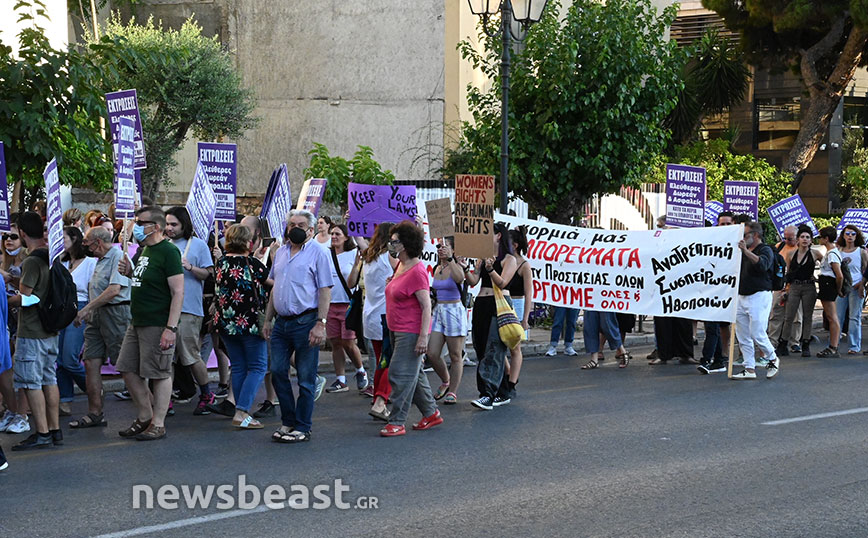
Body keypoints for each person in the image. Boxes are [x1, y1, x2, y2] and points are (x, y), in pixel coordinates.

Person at [263, 209, 333, 444]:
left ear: (311, 230)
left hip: (306, 322)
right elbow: (275, 287)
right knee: (278, 371)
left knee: (305, 377)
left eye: (301, 225)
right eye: (292, 224)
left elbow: (325, 289)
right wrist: (268, 319)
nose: (295, 228)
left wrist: (321, 324)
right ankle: (288, 421)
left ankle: (303, 426)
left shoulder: (319, 253)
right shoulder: (281, 252)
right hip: (281, 323)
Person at [115, 206, 184, 441]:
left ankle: (158, 423)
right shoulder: (146, 250)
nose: (135, 226)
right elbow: (147, 281)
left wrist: (170, 328)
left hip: (157, 322)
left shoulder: (169, 252)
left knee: (159, 373)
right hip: (138, 321)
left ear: (155, 227)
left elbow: (177, 291)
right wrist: (130, 273)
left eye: (140, 222)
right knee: (127, 367)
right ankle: (145, 415)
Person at [379, 221, 441, 436]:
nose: (391, 244)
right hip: (395, 329)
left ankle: (397, 421)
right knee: (415, 375)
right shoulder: (400, 265)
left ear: (405, 244)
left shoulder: (417, 271)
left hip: (410, 331)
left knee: (399, 375)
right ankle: (431, 413)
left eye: (394, 241)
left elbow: (426, 306)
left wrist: (423, 337)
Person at [69, 226, 131, 428]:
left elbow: (114, 290)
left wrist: (87, 308)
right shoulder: (100, 260)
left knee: (125, 364)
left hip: (115, 313)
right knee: (90, 361)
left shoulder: (118, 256)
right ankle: (95, 412)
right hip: (97, 314)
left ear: (97, 242)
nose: (85, 247)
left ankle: (149, 411)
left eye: (87, 243)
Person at [9, 212, 61, 450]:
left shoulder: (32, 260)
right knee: (49, 379)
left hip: (32, 330)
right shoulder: (51, 254)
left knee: (31, 382)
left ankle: (42, 433)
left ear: (22, 232)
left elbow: (27, 297)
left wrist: (6, 299)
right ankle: (54, 429)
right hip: (50, 329)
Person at [213, 224, 270, 429]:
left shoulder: (221, 262)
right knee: (258, 366)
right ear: (248, 242)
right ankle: (242, 410)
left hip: (226, 323)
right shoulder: (252, 264)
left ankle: (239, 408)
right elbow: (271, 281)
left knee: (238, 367)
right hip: (250, 323)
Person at [164, 207, 216, 414]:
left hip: (188, 309)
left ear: (184, 224)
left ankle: (206, 394)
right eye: (167, 224)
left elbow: (208, 274)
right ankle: (165, 399)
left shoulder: (198, 245)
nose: (169, 228)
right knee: (166, 357)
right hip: (165, 309)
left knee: (190, 355)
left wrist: (190, 267)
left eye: (174, 224)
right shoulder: (163, 245)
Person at [463, 222, 518, 410]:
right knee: (480, 347)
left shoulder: (509, 259)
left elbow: (503, 283)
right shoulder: (482, 257)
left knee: (493, 349)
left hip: (498, 304)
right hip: (482, 303)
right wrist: (465, 268)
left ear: (498, 236)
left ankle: (487, 394)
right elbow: (473, 281)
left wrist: (490, 269)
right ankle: (502, 391)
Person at [347, 222, 397, 421]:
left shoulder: (368, 256)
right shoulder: (390, 256)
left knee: (380, 360)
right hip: (386, 316)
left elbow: (358, 239)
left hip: (369, 316)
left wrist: (352, 220)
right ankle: (380, 401)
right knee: (389, 360)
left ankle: (378, 398)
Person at [56, 227, 97, 416]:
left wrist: (87, 311)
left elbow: (92, 289)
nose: (60, 241)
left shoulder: (90, 263)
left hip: (80, 308)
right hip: (61, 309)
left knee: (70, 358)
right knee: (60, 360)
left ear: (74, 239)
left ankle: (93, 390)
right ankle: (65, 400)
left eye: (63, 238)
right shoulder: (60, 261)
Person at [732, 221, 780, 380]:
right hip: (742, 295)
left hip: (759, 295)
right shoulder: (742, 250)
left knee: (757, 332)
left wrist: (745, 251)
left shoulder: (765, 249)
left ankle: (772, 357)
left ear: (756, 235)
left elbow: (763, 265)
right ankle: (749, 368)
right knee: (742, 334)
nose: (742, 238)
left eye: (745, 235)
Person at [324, 223, 368, 393]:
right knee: (335, 342)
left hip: (348, 304)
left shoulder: (353, 253)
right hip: (330, 304)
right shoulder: (326, 254)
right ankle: (340, 380)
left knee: (348, 342)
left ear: (346, 237)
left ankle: (360, 370)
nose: (334, 237)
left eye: (338, 234)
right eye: (332, 234)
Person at [425, 236, 467, 405]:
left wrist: (451, 259)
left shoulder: (457, 265)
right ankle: (445, 380)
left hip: (454, 310)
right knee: (432, 353)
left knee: (455, 354)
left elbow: (460, 278)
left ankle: (453, 392)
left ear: (453, 250)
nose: (441, 249)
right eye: (439, 246)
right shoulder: (437, 268)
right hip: (439, 311)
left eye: (446, 246)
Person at [698, 211, 736, 374]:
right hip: (710, 290)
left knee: (713, 326)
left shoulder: (738, 244)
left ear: (734, 224)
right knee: (712, 325)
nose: (725, 227)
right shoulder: (712, 242)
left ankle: (707, 360)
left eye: (728, 224)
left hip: (726, 292)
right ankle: (718, 360)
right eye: (722, 224)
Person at [780, 225, 822, 358]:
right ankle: (783, 343)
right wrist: (785, 289)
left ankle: (806, 344)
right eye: (802, 237)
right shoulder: (791, 254)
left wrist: (819, 279)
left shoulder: (815, 253)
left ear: (811, 240)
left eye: (807, 237)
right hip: (794, 286)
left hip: (809, 287)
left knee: (807, 316)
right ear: (798, 239)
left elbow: (827, 266)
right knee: (789, 316)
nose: (805, 239)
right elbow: (788, 273)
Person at [504, 227, 533, 396]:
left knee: (515, 348)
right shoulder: (504, 261)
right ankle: (508, 371)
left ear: (514, 245)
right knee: (498, 344)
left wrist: (525, 319)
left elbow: (528, 294)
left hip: (517, 304)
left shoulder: (524, 265)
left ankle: (512, 382)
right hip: (503, 304)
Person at [768, 225, 800, 356]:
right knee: (776, 313)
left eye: (790, 239)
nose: (787, 241)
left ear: (797, 237)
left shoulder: (801, 249)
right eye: (785, 238)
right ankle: (773, 341)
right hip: (779, 284)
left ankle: (794, 342)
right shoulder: (780, 246)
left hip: (795, 284)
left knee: (796, 315)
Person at [835, 224, 868, 355]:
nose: (850, 236)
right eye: (847, 234)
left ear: (857, 236)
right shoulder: (838, 251)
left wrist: (861, 284)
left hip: (856, 287)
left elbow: (865, 270)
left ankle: (854, 346)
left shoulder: (861, 252)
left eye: (853, 234)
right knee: (838, 316)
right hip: (842, 288)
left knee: (854, 317)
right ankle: (834, 343)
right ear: (843, 236)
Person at [816, 226, 844, 358]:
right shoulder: (831, 252)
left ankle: (833, 346)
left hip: (829, 285)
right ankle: (833, 345)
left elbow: (839, 275)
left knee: (832, 317)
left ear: (826, 238)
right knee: (831, 316)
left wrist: (838, 289)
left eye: (820, 237)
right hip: (826, 284)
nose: (819, 239)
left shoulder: (832, 254)